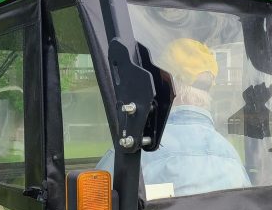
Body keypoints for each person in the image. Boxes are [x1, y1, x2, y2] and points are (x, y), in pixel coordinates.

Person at [98, 38, 250, 197]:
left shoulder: (139, 150)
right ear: (210, 89)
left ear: (164, 83)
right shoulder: (231, 155)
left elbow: (93, 204)